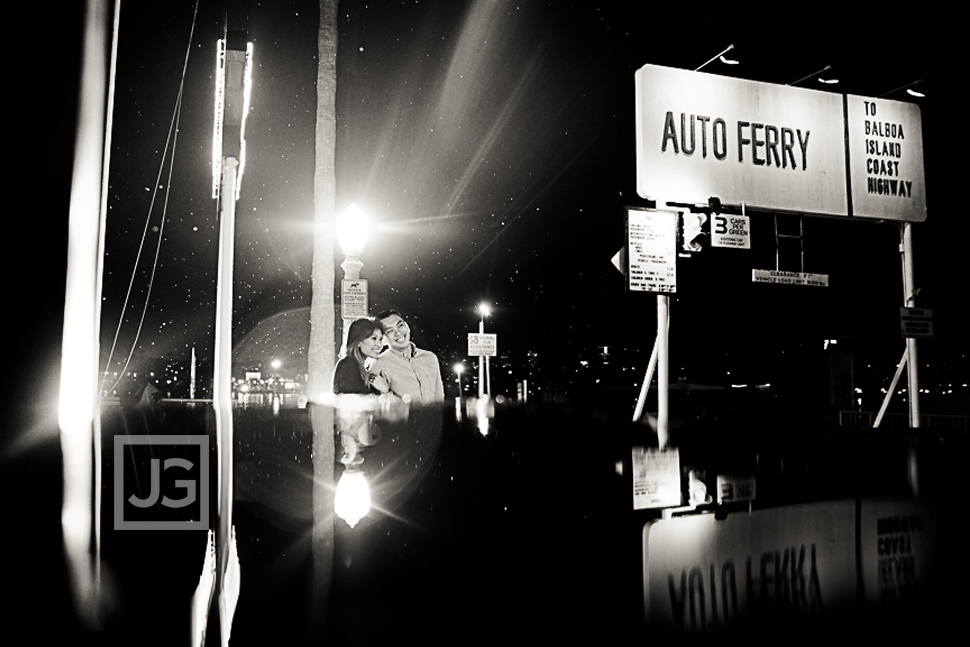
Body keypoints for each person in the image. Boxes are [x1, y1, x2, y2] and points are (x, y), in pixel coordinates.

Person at [370, 309, 444, 404]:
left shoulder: (430, 358)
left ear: (407, 327)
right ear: (383, 339)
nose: (398, 333)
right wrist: (386, 392)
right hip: (404, 418)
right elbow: (376, 407)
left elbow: (440, 398)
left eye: (400, 325)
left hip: (434, 418)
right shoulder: (379, 364)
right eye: (390, 331)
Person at [333, 318, 390, 395]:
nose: (379, 345)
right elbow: (352, 403)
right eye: (374, 338)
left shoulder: (357, 366)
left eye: (380, 339)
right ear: (359, 342)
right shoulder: (349, 365)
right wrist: (385, 390)